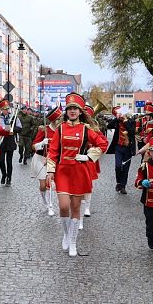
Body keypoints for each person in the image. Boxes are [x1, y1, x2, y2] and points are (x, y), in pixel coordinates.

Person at [46, 93, 108, 257]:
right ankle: (66, 234)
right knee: (64, 206)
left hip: (79, 171)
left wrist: (89, 156)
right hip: (63, 171)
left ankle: (73, 242)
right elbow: (53, 151)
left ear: (80, 112)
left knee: (75, 208)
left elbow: (103, 144)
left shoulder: (86, 130)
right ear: (66, 111)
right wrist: (50, 171)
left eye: (75, 109)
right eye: (70, 108)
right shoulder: (60, 129)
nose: (72, 111)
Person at [31, 105, 62, 216]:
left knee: (50, 184)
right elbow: (33, 146)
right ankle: (45, 201)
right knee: (43, 185)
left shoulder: (62, 131)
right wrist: (41, 143)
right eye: (58, 119)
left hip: (53, 161)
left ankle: (50, 206)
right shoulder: (44, 130)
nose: (60, 121)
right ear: (54, 121)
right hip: (41, 159)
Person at [106, 106, 136, 194]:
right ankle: (119, 182)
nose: (119, 114)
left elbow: (132, 132)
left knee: (125, 168)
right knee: (118, 166)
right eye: (117, 113)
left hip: (128, 148)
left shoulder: (131, 121)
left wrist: (125, 121)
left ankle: (123, 186)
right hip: (118, 147)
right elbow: (108, 126)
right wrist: (116, 119)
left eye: (120, 113)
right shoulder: (117, 122)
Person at [0, 99, 22, 186]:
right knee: (1, 161)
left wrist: (13, 130)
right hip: (2, 141)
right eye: (5, 109)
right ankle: (4, 174)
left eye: (7, 109)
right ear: (1, 110)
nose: (7, 111)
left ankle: (9, 178)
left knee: (9, 161)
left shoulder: (14, 117)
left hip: (10, 141)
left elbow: (20, 128)